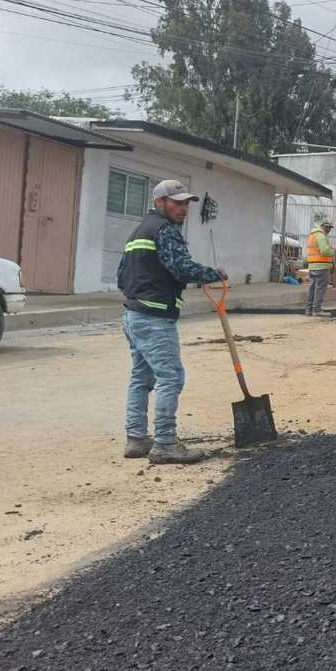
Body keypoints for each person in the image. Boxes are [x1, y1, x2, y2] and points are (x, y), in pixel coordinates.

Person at [118, 179, 226, 465]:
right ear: (159, 202)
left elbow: (121, 276)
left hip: (133, 314)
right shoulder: (165, 231)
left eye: (186, 203)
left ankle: (137, 438)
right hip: (154, 316)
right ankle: (165, 443)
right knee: (171, 376)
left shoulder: (138, 232)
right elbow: (181, 267)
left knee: (141, 377)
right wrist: (213, 273)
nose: (183, 209)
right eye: (177, 203)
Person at [305, 220, 334, 315]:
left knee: (312, 288)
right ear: (323, 226)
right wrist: (333, 251)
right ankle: (317, 310)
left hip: (313, 266)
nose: (329, 230)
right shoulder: (321, 236)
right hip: (322, 266)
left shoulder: (312, 235)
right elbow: (325, 251)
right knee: (320, 288)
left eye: (330, 228)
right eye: (328, 227)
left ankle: (309, 309)